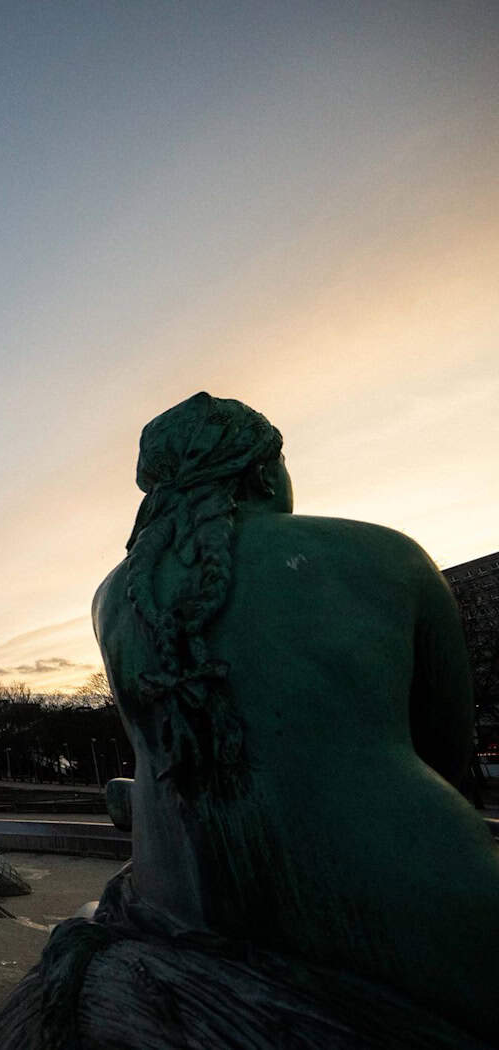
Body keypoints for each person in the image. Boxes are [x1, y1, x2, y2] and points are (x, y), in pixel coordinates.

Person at [89, 391, 499, 1038]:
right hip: (422, 912)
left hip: (183, 908)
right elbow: (448, 759)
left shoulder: (115, 597)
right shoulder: (388, 556)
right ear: (264, 468)